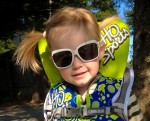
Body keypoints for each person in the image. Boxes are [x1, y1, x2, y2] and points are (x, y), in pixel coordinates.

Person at [14, 6, 143, 121]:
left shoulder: (121, 94)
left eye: (86, 51)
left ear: (100, 51)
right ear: (54, 61)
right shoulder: (53, 100)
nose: (76, 64)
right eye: (63, 57)